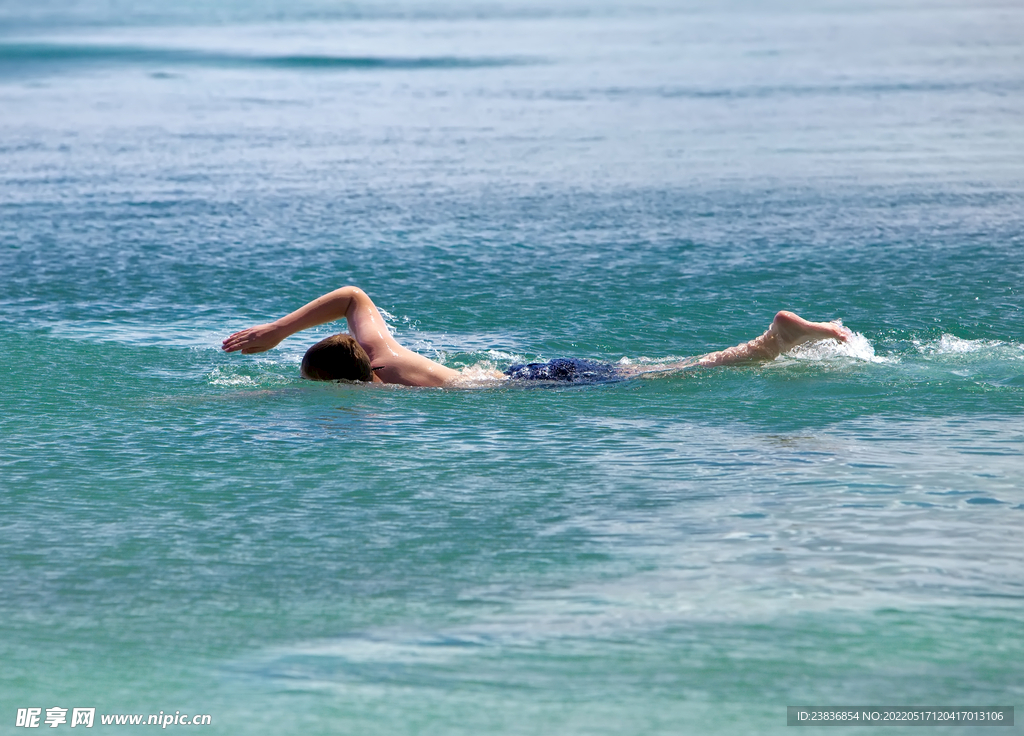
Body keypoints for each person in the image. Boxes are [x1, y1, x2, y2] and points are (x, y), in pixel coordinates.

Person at [221, 285, 852, 387]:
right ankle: (776, 341)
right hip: (539, 370)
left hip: (537, 387)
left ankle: (772, 343)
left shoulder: (383, 393)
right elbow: (353, 296)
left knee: (674, 374)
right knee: (665, 366)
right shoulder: (381, 351)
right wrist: (277, 333)